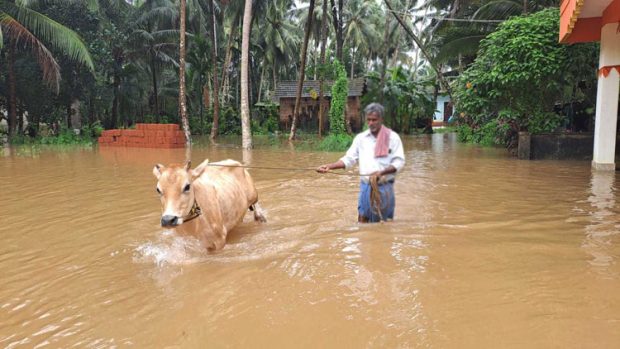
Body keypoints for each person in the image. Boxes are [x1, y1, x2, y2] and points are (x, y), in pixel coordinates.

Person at [317, 103, 405, 222]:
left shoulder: (392, 138)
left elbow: (399, 162)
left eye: (374, 119)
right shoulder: (361, 139)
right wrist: (329, 166)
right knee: (362, 218)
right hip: (366, 186)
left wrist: (382, 172)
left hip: (385, 187)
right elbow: (349, 159)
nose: (371, 123)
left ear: (381, 119)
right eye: (368, 120)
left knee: (384, 223)